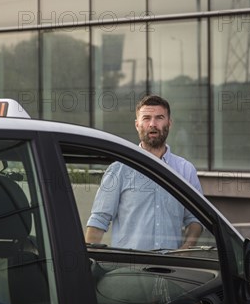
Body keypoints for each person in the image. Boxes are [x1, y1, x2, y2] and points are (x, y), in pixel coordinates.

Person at [85, 95, 204, 250]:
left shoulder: (185, 170)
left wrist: (186, 250)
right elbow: (99, 220)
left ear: (169, 123)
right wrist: (88, 263)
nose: (153, 124)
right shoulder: (119, 169)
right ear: (137, 125)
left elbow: (195, 219)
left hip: (172, 269)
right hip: (129, 269)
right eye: (146, 118)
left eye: (159, 118)